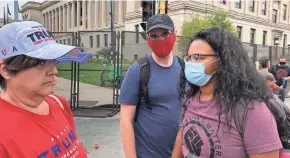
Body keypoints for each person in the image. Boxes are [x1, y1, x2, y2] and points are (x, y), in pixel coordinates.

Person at [172, 27, 282, 158]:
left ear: (223, 60)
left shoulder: (251, 109)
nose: (190, 64)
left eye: (198, 57)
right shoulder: (190, 97)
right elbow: (182, 136)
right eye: (189, 58)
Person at [0, 21, 90, 157]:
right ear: (6, 70)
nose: (54, 71)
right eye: (41, 63)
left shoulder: (59, 103)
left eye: (53, 61)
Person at [119, 14, 183, 158]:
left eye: (165, 34)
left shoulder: (184, 68)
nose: (160, 39)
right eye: (154, 35)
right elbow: (125, 120)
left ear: (175, 34)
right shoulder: (138, 70)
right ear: (147, 38)